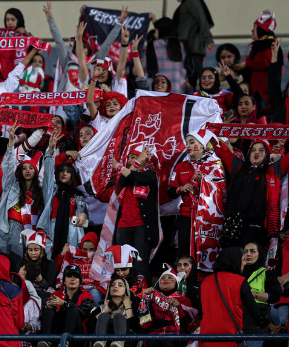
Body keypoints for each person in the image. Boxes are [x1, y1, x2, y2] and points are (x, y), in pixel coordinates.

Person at [168, 129, 226, 271]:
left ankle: (202, 280)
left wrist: (204, 182)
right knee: (183, 251)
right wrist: (180, 189)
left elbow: (222, 190)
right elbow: (170, 192)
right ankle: (182, 281)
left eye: (192, 142)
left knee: (205, 251)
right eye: (187, 142)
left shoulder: (214, 164)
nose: (187, 145)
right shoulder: (181, 166)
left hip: (207, 219)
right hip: (186, 215)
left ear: (201, 145)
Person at [200, 247, 274, 347]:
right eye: (242, 260)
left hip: (206, 338)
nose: (244, 263)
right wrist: (270, 326)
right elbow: (253, 310)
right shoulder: (239, 281)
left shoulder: (205, 281)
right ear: (234, 260)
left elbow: (200, 311)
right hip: (230, 339)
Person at [111, 144, 159, 281]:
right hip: (123, 226)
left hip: (142, 226)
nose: (132, 160)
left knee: (140, 264)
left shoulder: (151, 175)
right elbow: (125, 179)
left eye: (135, 157)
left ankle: (142, 297)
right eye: (130, 157)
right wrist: (134, 163)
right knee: (123, 265)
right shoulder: (125, 178)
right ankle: (124, 293)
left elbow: (135, 177)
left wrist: (119, 167)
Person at [0, 135, 44, 259]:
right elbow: (8, 167)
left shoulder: (40, 192)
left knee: (20, 263)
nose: (27, 170)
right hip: (8, 227)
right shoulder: (11, 186)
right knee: (4, 261)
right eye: (24, 168)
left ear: (36, 171)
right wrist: (11, 145)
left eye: (31, 168)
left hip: (31, 232)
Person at [37, 133, 87, 259]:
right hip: (52, 230)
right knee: (51, 262)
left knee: (70, 261)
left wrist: (84, 215)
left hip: (72, 232)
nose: (64, 174)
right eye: (62, 171)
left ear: (72, 175)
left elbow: (84, 223)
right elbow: (48, 173)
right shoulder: (51, 190)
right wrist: (51, 150)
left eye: (68, 172)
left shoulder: (79, 195)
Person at [167, 0, 214, 89]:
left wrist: (208, 39)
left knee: (197, 75)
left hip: (193, 47)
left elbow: (202, 20)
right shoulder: (187, 2)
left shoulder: (192, 1)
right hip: (187, 47)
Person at [232, 10, 282, 109]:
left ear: (260, 30)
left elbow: (266, 63)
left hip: (264, 95)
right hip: (254, 92)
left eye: (254, 28)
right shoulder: (258, 46)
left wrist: (246, 65)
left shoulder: (269, 45)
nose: (251, 30)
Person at [39, 264, 94, 347]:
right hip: (57, 330)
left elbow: (83, 314)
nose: (72, 279)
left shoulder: (87, 296)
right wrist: (47, 306)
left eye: (76, 277)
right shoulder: (55, 294)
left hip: (76, 333)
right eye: (69, 276)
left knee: (72, 310)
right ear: (64, 280)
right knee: (48, 311)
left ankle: (66, 342)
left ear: (80, 281)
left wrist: (64, 303)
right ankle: (46, 341)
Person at [241, 242, 282, 347]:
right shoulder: (237, 273)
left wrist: (253, 294)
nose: (248, 254)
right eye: (245, 251)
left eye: (252, 251)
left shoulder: (266, 274)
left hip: (255, 327)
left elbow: (275, 296)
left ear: (259, 254)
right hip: (237, 325)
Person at [88, 276, 140, 347]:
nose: (115, 287)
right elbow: (89, 327)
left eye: (120, 285)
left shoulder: (133, 306)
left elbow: (135, 328)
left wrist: (128, 307)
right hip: (105, 344)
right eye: (112, 285)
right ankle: (100, 342)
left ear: (126, 290)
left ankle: (119, 343)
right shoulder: (101, 307)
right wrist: (104, 311)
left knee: (119, 317)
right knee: (104, 316)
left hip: (125, 343)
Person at [143, 16, 190, 93]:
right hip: (178, 92)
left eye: (156, 30)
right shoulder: (181, 46)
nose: (154, 34)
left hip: (158, 93)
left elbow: (143, 67)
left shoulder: (153, 46)